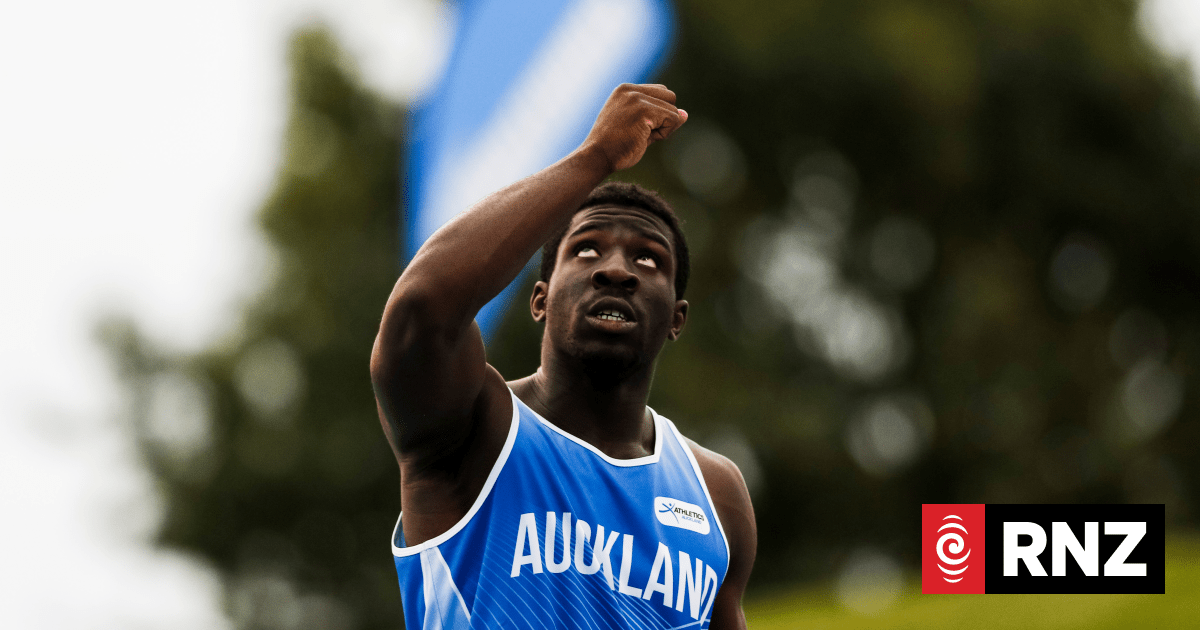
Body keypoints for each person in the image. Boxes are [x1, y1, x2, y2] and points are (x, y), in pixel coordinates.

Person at [371, 83, 756, 629]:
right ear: (540, 299)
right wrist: (594, 157)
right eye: (587, 248)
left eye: (648, 260)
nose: (616, 270)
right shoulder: (474, 426)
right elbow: (421, 311)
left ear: (676, 319)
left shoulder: (716, 493)